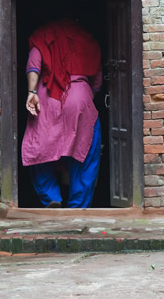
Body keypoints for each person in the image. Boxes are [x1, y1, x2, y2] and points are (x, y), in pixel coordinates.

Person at [22, 19, 103, 208]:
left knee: (40, 151)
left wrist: (31, 93)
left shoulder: (42, 35)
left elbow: (33, 65)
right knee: (85, 155)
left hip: (47, 98)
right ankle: (78, 207)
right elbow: (97, 80)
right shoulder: (86, 39)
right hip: (80, 98)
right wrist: (84, 97)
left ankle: (52, 199)